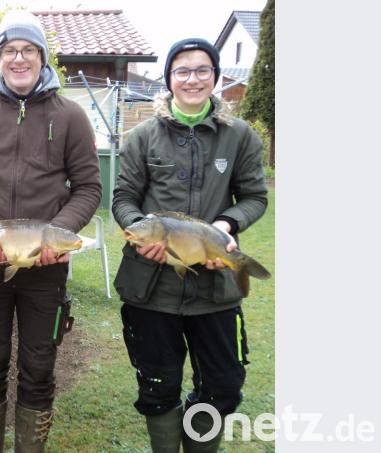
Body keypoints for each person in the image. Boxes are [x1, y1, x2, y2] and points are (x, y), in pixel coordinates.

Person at [0, 11, 101, 453]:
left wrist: (57, 234)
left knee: (39, 368)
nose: (19, 58)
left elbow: (89, 188)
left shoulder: (70, 116)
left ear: (43, 56)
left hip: (46, 272)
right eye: (9, 50)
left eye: (29, 49)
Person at [112, 37, 268, 453]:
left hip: (215, 289)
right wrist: (139, 229)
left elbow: (255, 197)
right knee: (158, 386)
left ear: (215, 77)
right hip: (151, 289)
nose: (192, 79)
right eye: (182, 71)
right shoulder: (143, 136)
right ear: (169, 79)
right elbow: (123, 198)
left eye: (202, 70)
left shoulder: (240, 136)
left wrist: (226, 225)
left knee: (223, 386)